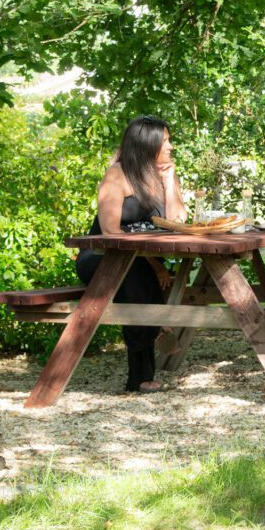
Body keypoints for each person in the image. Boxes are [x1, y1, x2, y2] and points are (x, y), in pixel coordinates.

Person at [75, 116, 186, 393]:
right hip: (102, 257)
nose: (170, 146)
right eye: (165, 141)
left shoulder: (165, 174)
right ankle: (149, 353)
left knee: (139, 275)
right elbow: (110, 232)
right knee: (136, 275)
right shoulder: (118, 174)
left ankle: (155, 334)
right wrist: (153, 263)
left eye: (169, 140)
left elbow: (177, 223)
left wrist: (169, 182)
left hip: (141, 260)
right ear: (146, 145)